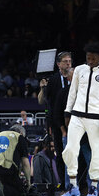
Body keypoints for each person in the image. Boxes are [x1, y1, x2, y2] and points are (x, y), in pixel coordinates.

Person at [60, 43, 99, 196]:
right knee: (70, 148)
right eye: (87, 58)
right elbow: (73, 92)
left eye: (92, 58)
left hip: (96, 118)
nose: (89, 60)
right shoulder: (79, 70)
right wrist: (67, 112)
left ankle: (93, 187)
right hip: (77, 115)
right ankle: (73, 186)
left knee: (96, 151)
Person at [38, 51, 72, 184]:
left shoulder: (76, 78)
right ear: (59, 64)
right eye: (65, 61)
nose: (68, 63)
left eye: (70, 61)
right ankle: (64, 183)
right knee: (61, 153)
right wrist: (42, 89)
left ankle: (78, 183)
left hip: (74, 120)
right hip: (57, 122)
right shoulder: (53, 80)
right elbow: (41, 101)